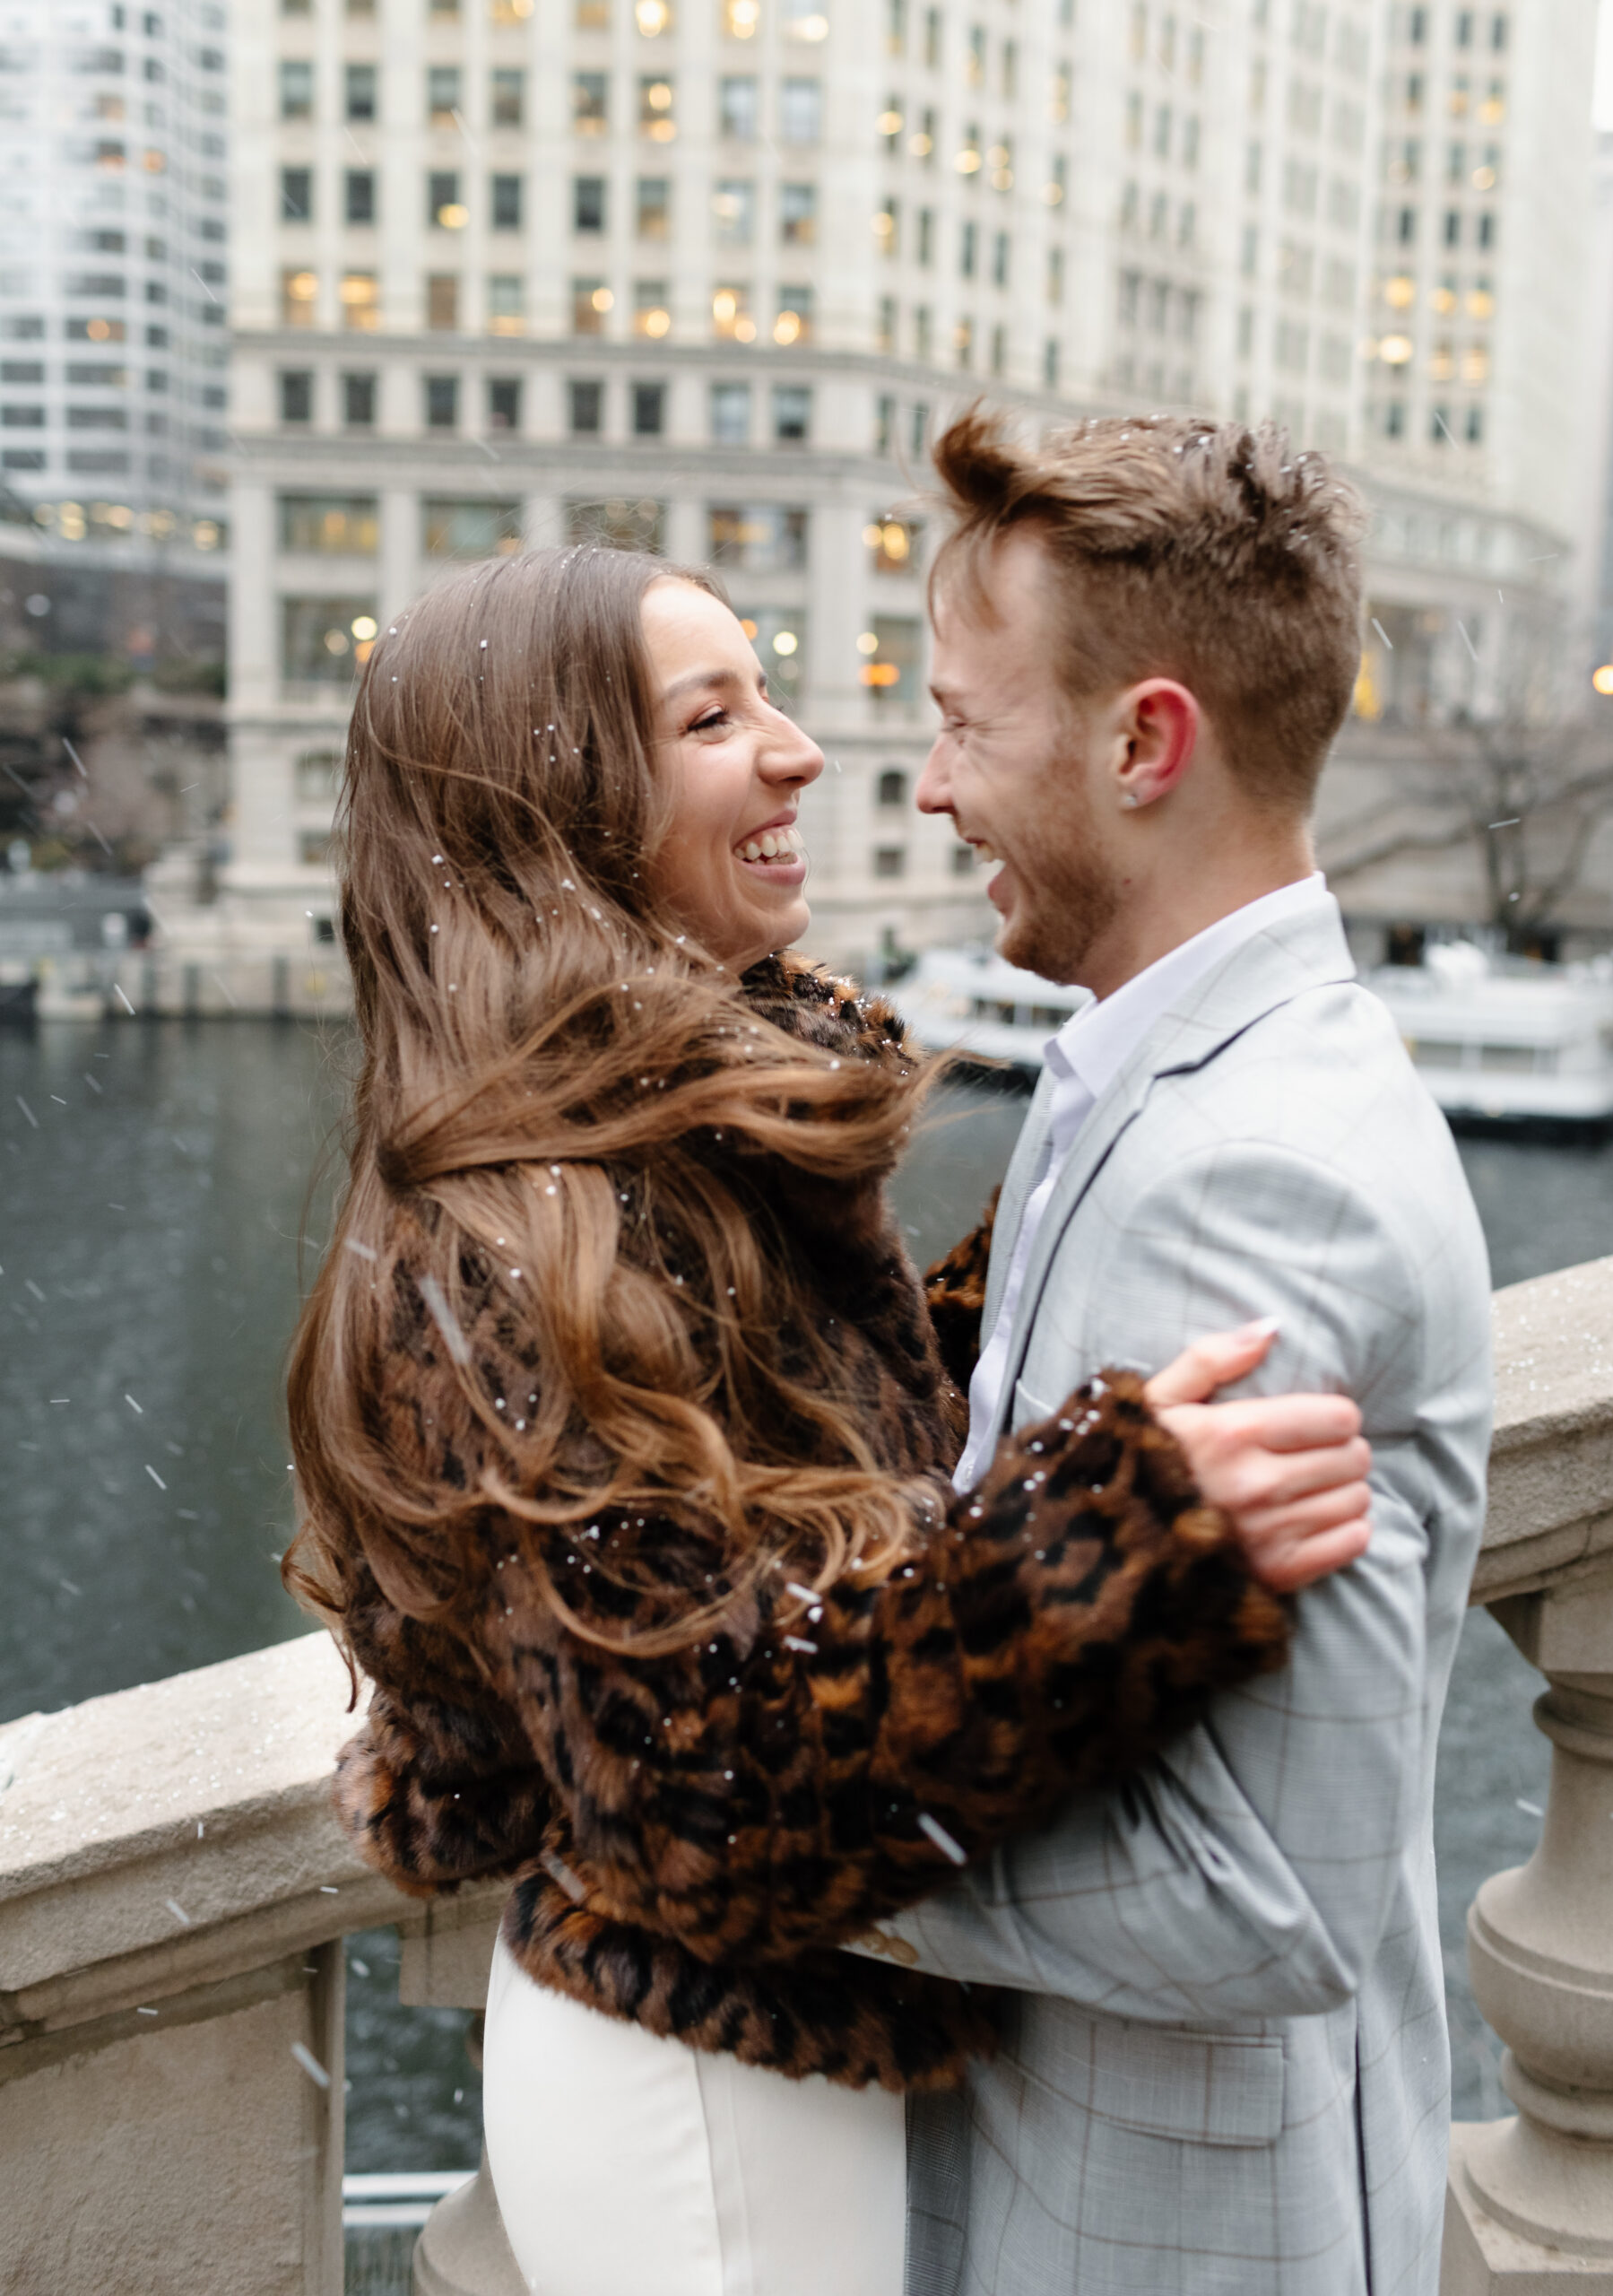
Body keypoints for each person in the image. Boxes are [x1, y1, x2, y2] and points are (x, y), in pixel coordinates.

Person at [284, 543, 1377, 2296]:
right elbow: (694, 1782)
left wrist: (1043, 1292)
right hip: (710, 2107)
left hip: (741, 2062)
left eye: (764, 691)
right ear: (562, 793)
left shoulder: (661, 1141)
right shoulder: (540, 1222)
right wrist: (1108, 1541)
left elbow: (804, 1476)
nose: (798, 750)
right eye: (713, 716)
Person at [853, 409, 1494, 2296]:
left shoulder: (1254, 1173)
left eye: (964, 724)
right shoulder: (1158, 1066)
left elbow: (1260, 1894)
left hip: (1163, 2228)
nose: (926, 787)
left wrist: (786, 1840)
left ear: (1142, 743)